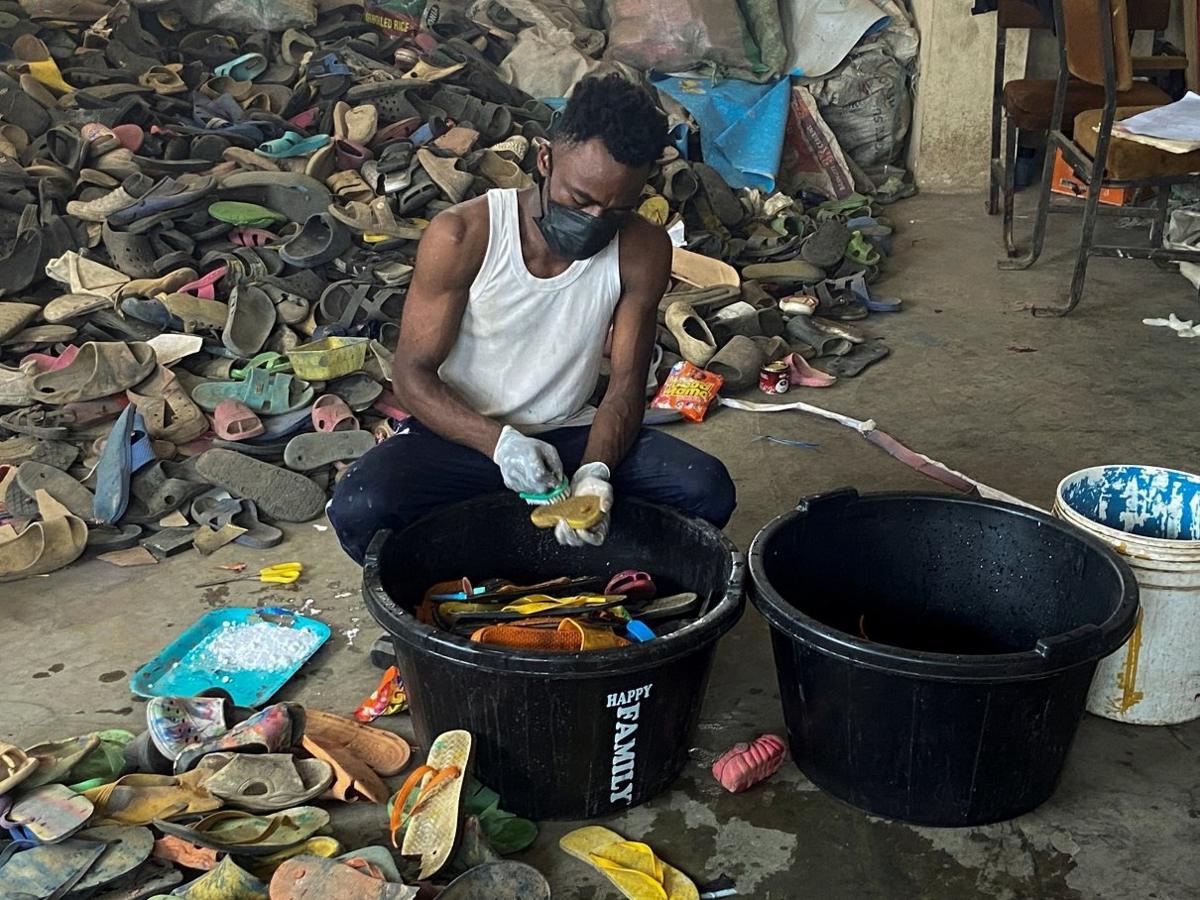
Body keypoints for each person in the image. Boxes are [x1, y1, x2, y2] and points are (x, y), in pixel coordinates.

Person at [328, 73, 736, 563]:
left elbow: (625, 386)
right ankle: (519, 551)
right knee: (361, 505)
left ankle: (564, 550)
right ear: (545, 160)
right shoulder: (463, 234)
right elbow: (411, 376)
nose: (593, 221)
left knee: (704, 489)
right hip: (463, 436)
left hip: (568, 433)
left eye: (616, 210)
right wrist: (500, 445)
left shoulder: (642, 249)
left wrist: (596, 472)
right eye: (580, 200)